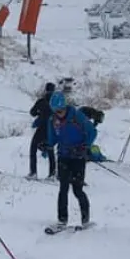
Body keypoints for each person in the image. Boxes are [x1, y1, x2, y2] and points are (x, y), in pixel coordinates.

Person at [46, 92, 97, 229]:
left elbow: (92, 132)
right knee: (63, 188)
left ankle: (85, 219)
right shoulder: (53, 120)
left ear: (65, 107)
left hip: (78, 158)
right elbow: (53, 138)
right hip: (63, 156)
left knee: (77, 190)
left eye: (61, 110)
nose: (59, 113)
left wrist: (85, 147)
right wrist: (47, 146)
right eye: (56, 111)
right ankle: (62, 220)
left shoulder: (77, 116)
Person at [28, 82, 56, 179]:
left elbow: (32, 112)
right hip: (53, 129)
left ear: (46, 90)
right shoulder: (57, 102)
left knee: (33, 148)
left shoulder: (41, 101)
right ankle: (52, 174)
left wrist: (39, 112)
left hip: (42, 128)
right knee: (50, 149)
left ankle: (33, 172)